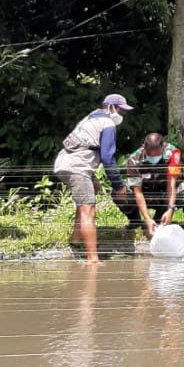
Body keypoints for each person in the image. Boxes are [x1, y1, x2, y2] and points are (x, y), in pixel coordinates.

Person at [53, 93, 135, 264]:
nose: (123, 115)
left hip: (65, 162)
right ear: (111, 107)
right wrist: (119, 186)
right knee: (88, 210)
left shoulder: (90, 117)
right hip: (78, 167)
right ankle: (93, 259)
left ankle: (76, 239)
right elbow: (107, 158)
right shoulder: (108, 123)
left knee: (94, 187)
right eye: (121, 111)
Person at [118, 133, 183, 237]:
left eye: (156, 155)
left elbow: (171, 184)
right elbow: (137, 192)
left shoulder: (173, 153)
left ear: (163, 147)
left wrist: (171, 209)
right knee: (120, 193)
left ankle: (160, 218)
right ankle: (135, 221)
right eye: (149, 155)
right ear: (144, 147)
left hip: (162, 192)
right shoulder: (134, 159)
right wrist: (147, 218)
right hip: (144, 192)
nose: (153, 158)